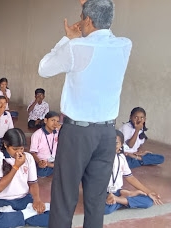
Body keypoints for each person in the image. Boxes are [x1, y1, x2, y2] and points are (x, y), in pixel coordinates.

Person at [38, 0, 133, 227]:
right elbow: (105, 29)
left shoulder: (76, 47)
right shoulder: (124, 45)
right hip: (108, 134)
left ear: (87, 20)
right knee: (96, 200)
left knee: (64, 197)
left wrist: (67, 38)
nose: (80, 21)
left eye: (82, 16)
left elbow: (44, 68)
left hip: (77, 134)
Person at [0, 128, 50, 228]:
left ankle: (17, 215)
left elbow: (33, 183)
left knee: (52, 218)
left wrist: (37, 200)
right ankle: (28, 214)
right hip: (0, 200)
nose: (19, 152)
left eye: (21, 149)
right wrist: (16, 166)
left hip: (23, 199)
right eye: (15, 149)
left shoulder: (28, 157)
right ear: (6, 145)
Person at [104, 130, 162, 214]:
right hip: (102, 193)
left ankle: (118, 199)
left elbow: (130, 177)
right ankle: (125, 198)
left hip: (117, 191)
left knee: (148, 201)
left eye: (116, 143)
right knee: (104, 209)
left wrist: (148, 192)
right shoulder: (98, 159)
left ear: (121, 145)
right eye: (109, 142)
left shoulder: (121, 158)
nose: (112, 146)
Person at [29, 111, 60, 177]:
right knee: (41, 173)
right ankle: (55, 168)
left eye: (57, 121)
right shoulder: (37, 134)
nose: (55, 124)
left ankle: (53, 166)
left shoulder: (58, 132)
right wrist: (39, 162)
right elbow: (33, 152)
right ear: (45, 120)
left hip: (54, 160)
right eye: (53, 120)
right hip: (43, 162)